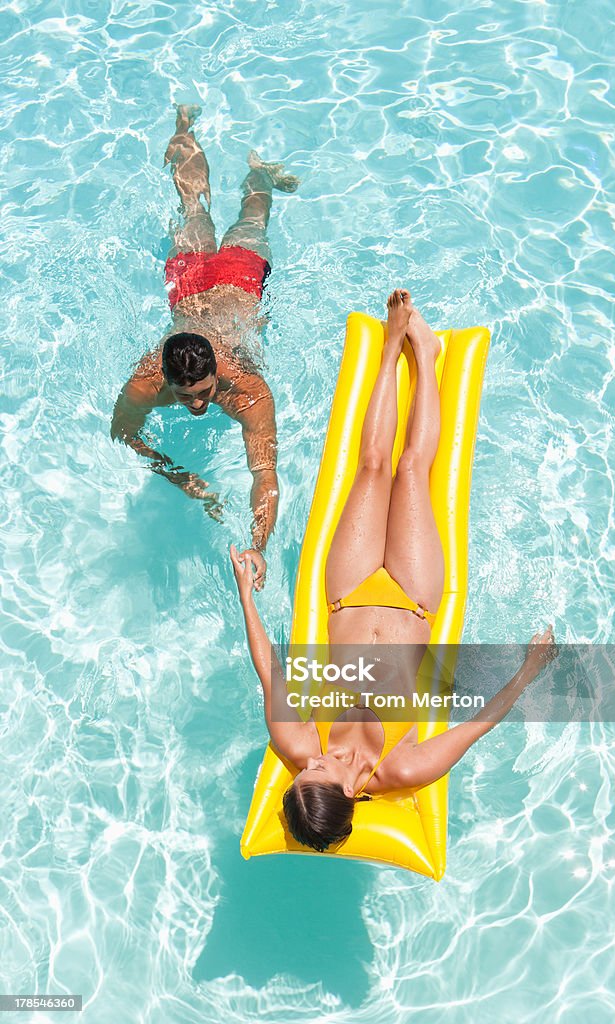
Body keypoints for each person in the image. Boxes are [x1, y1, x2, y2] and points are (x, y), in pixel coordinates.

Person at [230, 289, 557, 852]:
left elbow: (269, 671)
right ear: (349, 794)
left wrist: (246, 596)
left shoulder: (297, 745)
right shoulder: (403, 772)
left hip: (348, 594)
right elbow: (477, 726)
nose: (315, 761)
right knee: (410, 471)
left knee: (372, 466)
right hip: (412, 597)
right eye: (321, 772)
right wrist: (528, 670)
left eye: (304, 771)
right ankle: (426, 356)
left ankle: (388, 348)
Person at [111, 104, 299, 589]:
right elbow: (123, 433)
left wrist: (259, 544)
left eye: (204, 392)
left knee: (251, 220)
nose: (196, 404)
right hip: (192, 285)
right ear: (166, 378)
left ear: (219, 369)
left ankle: (259, 173)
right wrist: (178, 475)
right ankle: (182, 128)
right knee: (192, 208)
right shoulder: (146, 382)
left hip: (237, 279)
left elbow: (265, 475)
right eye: (185, 394)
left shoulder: (249, 391)